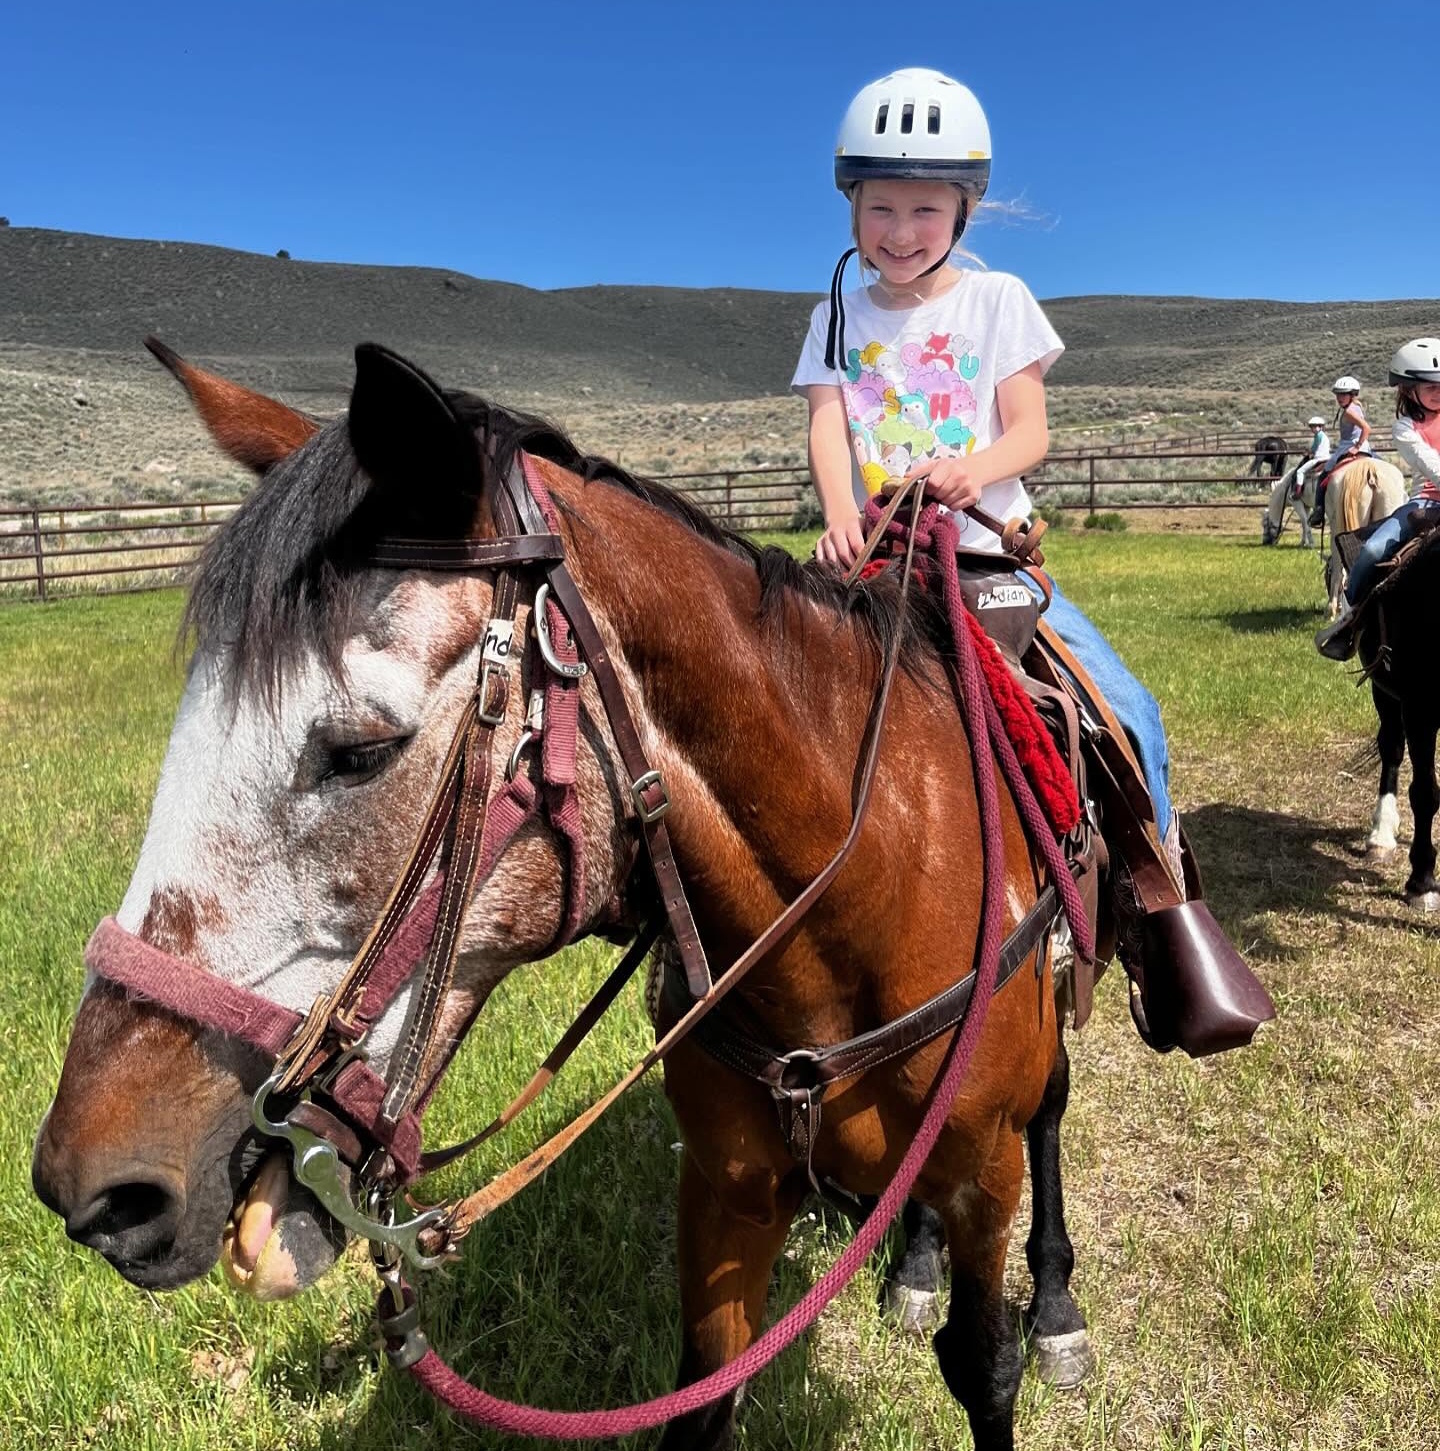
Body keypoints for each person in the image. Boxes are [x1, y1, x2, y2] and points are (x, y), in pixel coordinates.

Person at [791, 66, 1177, 858]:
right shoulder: (835, 315)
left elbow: (1030, 432)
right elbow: (827, 423)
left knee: (1127, 709)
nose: (901, 231)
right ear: (853, 207)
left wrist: (975, 468)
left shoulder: (999, 299)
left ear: (965, 209)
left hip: (984, 555)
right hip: (873, 559)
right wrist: (837, 517)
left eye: (925, 208)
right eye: (882, 207)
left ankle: (1164, 901)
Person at [1315, 339, 1440, 660]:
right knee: (1372, 550)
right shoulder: (1406, 427)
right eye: (1430, 386)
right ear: (1408, 390)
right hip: (1428, 503)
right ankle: (1350, 618)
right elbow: (1431, 465)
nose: (1438, 392)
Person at [1307, 375, 1373, 526]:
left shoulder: (1349, 411)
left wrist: (1356, 447)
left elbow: (1366, 428)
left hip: (1348, 447)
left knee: (1323, 477)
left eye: (1343, 394)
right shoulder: (1357, 405)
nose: (1339, 397)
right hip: (1366, 448)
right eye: (1338, 394)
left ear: (1352, 394)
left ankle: (1318, 512)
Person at [1293, 414, 1330, 501]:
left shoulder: (1318, 436)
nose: (1312, 429)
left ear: (1320, 427)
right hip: (1327, 458)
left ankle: (1298, 492)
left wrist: (1308, 453)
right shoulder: (1324, 436)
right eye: (1312, 427)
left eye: (1314, 427)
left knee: (1300, 471)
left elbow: (1314, 447)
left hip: (1319, 459)